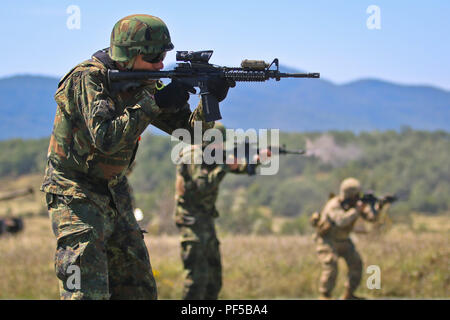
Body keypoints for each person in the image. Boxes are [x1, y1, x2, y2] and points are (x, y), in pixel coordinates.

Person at [40, 14, 232, 300]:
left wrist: (210, 98)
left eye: (163, 56)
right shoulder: (87, 79)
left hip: (115, 194)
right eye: (153, 57)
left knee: (138, 289)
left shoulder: (142, 82)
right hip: (74, 194)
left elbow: (194, 135)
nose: (159, 65)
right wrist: (154, 102)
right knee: (84, 291)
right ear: (127, 55)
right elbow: (106, 139)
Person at [174, 123, 271, 299]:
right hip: (191, 222)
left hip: (205, 221)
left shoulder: (213, 155)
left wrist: (257, 159)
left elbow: (238, 167)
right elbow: (201, 186)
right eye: (218, 143)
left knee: (213, 279)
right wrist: (225, 167)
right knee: (196, 278)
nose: (221, 147)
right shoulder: (192, 155)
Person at [311, 177, 380, 300]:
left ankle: (349, 295)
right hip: (328, 240)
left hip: (344, 240)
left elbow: (371, 218)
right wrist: (357, 210)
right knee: (331, 264)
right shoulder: (334, 205)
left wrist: (377, 207)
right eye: (356, 195)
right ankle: (325, 296)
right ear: (350, 195)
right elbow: (341, 221)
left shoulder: (355, 205)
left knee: (356, 263)